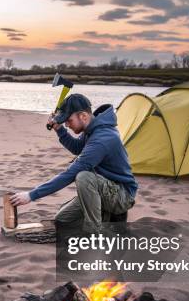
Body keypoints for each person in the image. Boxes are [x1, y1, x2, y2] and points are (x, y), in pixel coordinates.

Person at [10, 93, 137, 232]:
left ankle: (95, 233)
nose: (66, 124)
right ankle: (103, 216)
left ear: (83, 116)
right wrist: (59, 130)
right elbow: (77, 148)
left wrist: (31, 195)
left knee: (83, 177)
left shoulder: (102, 138)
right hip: (103, 190)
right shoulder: (92, 129)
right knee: (62, 219)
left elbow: (71, 174)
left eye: (69, 120)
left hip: (121, 196)